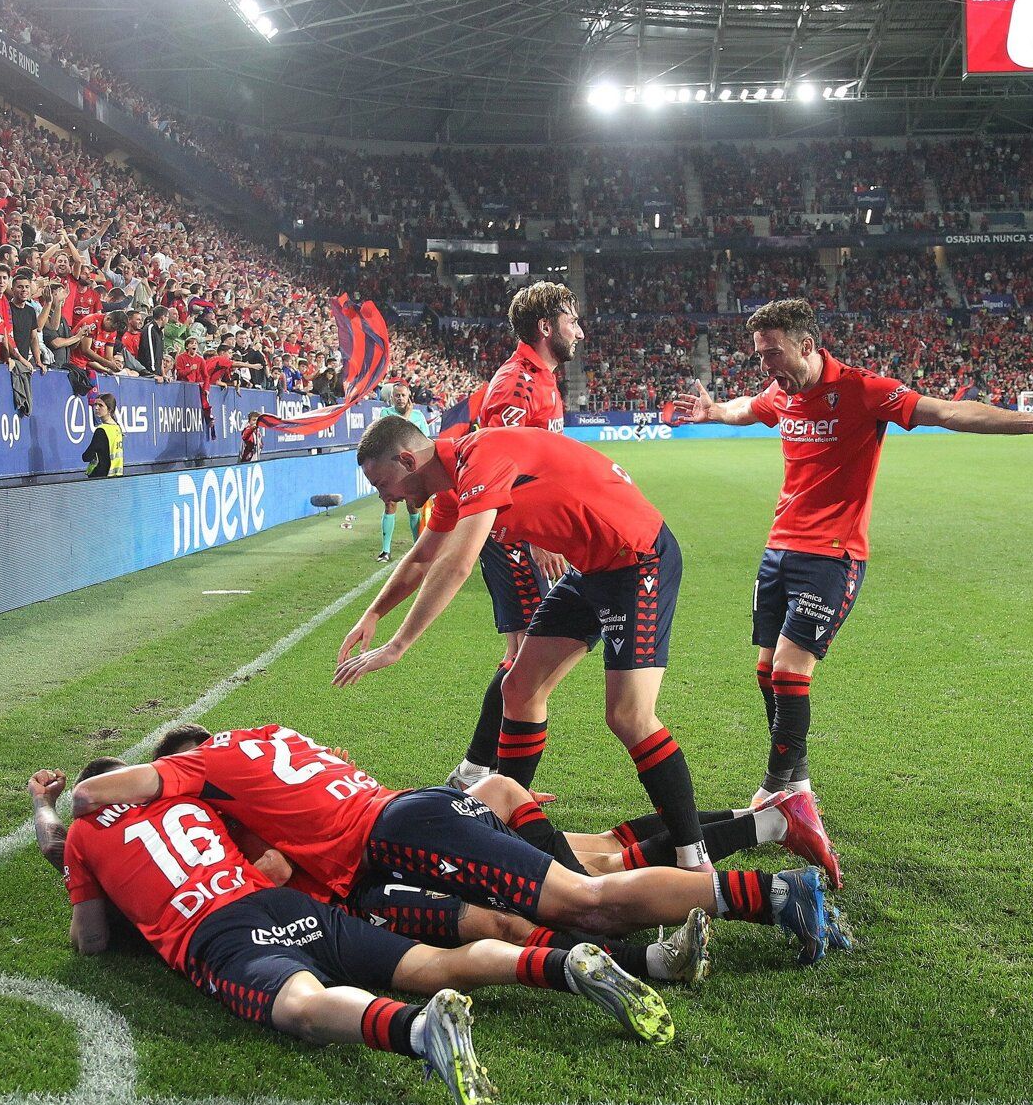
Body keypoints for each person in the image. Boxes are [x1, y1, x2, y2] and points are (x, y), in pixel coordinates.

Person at [673, 298, 1033, 884]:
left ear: (806, 343)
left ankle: (777, 792)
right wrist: (711, 410)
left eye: (773, 351)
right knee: (766, 671)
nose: (766, 364)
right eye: (760, 354)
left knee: (793, 673)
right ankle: (795, 781)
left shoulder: (864, 390)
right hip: (780, 548)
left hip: (833, 553)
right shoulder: (783, 392)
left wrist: (1029, 422)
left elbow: (947, 411)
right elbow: (749, 408)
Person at [53, 755, 675, 1105]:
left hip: (220, 929)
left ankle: (417, 1032)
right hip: (298, 903)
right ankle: (568, 963)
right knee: (438, 963)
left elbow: (92, 939)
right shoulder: (195, 798)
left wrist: (59, 827)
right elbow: (267, 859)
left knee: (300, 1004)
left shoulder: (84, 831)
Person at [72, 724, 842, 965]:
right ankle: (766, 841)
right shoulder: (265, 736)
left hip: (397, 836)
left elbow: (105, 794)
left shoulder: (200, 773)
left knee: (587, 898)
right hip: (403, 824)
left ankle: (776, 890)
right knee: (588, 873)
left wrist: (63, 810)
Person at [339, 418, 716, 872]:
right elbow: (422, 557)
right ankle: (511, 835)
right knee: (517, 690)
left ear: (407, 460)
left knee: (628, 715)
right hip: (588, 570)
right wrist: (374, 614)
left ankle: (694, 861)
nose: (386, 497)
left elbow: (456, 564)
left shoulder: (482, 457)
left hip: (636, 558)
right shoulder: (450, 490)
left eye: (383, 484)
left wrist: (398, 645)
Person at [450, 282, 578, 791]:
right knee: (525, 660)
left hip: (526, 536)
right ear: (546, 327)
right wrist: (537, 535)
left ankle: (486, 775)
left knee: (525, 660)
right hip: (513, 539)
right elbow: (504, 469)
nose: (580, 330)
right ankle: (482, 777)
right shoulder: (516, 385)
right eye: (572, 320)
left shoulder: (543, 378)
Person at [375, 382, 429, 562]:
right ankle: (385, 550)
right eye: (396, 395)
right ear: (391, 398)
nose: (399, 398)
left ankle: (417, 548)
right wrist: (406, 415)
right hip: (391, 469)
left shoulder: (419, 416)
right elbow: (396, 434)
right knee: (390, 504)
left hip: (412, 470)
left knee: (413, 506)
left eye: (403, 395)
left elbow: (425, 441)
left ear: (408, 396)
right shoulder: (385, 414)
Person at [82, 392, 124, 478]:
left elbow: (86, 456)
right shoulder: (117, 428)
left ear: (110, 410)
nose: (96, 408)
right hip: (115, 475)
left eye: (100, 405)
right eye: (95, 404)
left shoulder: (102, 430)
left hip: (100, 477)